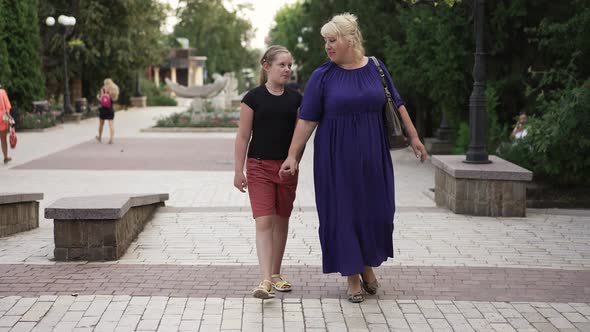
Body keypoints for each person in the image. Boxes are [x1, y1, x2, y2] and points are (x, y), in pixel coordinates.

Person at [279, 13, 427, 303]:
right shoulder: (323, 75)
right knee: (344, 213)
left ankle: (367, 266)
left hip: (373, 154)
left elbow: (396, 102)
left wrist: (414, 137)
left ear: (350, 39)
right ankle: (352, 276)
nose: (327, 46)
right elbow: (307, 119)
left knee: (376, 211)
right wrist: (292, 155)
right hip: (336, 158)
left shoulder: (376, 67)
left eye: (332, 40)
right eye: (325, 41)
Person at [234, 45, 303, 299]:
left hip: (286, 170)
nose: (287, 69)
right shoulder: (252, 98)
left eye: (289, 65)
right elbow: (243, 136)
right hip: (259, 166)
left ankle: (275, 273)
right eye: (281, 65)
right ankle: (264, 280)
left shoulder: (296, 99)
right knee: (264, 221)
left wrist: (294, 160)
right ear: (266, 66)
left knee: (281, 220)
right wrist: (237, 170)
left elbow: (301, 137)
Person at [96, 78, 119, 144]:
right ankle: (111, 139)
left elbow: (102, 100)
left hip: (103, 110)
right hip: (110, 109)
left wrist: (98, 97)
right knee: (111, 125)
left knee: (101, 124)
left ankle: (100, 137)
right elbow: (113, 100)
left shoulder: (103, 89)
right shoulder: (114, 90)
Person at [0, 86, 13, 164]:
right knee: (3, 139)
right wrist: (9, 119)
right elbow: (7, 107)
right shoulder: (2, 92)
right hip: (2, 117)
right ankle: (5, 157)